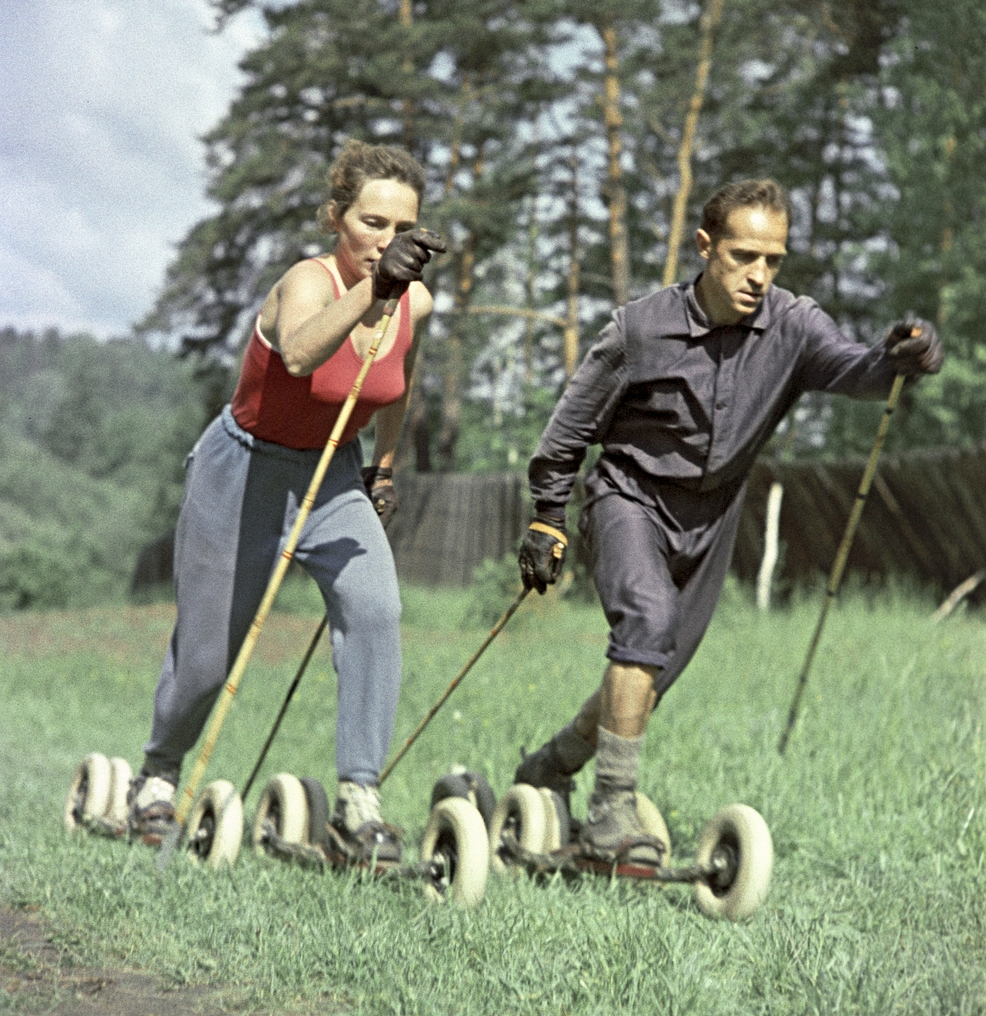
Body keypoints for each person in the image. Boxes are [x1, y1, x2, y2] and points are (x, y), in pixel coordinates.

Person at [515, 178, 943, 864]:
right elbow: (568, 431)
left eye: (773, 260)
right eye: (744, 256)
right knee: (647, 626)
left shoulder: (794, 325)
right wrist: (548, 518)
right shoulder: (640, 328)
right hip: (629, 498)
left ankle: (549, 767)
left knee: (650, 673)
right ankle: (612, 812)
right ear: (705, 247)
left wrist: (901, 358)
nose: (759, 275)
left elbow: (855, 369)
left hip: (713, 520)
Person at [127, 140, 445, 862]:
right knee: (209, 657)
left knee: (376, 610)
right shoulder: (309, 281)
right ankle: (157, 775)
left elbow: (398, 386)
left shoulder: (414, 302)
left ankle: (359, 797)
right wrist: (376, 287)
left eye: (404, 228)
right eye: (372, 223)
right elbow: (301, 357)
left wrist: (385, 470)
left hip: (334, 473)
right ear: (336, 218)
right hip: (243, 471)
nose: (388, 242)